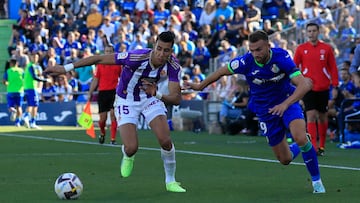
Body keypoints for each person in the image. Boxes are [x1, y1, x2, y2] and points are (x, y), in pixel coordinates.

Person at [184, 30, 325, 194]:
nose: (255, 54)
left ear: (268, 46)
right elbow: (222, 71)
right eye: (252, 50)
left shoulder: (281, 57)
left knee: (299, 135)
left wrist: (286, 104)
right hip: (265, 111)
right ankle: (300, 145)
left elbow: (303, 84)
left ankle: (317, 182)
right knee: (285, 159)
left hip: (287, 102)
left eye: (259, 49)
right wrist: (200, 86)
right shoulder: (246, 61)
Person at [44, 31, 186, 193]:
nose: (161, 54)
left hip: (150, 98)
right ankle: (128, 154)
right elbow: (98, 59)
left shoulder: (173, 66)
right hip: (126, 99)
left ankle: (171, 181)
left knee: (165, 140)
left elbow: (176, 98)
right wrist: (65, 68)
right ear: (154, 45)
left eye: (166, 50)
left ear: (171, 51)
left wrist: (157, 94)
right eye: (159, 48)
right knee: (132, 147)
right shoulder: (135, 57)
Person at [293, 23, 339, 156]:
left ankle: (322, 145)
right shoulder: (301, 49)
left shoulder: (326, 48)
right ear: (306, 33)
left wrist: (335, 85)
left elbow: (333, 68)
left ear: (318, 32)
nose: (311, 33)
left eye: (314, 31)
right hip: (308, 88)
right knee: (311, 115)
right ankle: (313, 146)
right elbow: (294, 68)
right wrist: (297, 83)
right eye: (309, 31)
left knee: (322, 117)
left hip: (323, 87)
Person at [88, 45, 122, 145]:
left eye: (110, 51)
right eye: (106, 51)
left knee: (113, 114)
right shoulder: (100, 65)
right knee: (102, 119)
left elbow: (122, 77)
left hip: (114, 92)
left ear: (113, 52)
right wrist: (90, 91)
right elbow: (96, 79)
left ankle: (113, 139)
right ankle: (102, 133)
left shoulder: (117, 64)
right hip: (103, 92)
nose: (108, 53)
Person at [23, 53, 49, 129]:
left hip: (28, 88)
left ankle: (27, 118)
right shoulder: (32, 66)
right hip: (32, 88)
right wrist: (45, 80)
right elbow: (35, 77)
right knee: (35, 105)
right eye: (33, 57)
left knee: (31, 104)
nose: (35, 58)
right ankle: (31, 121)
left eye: (36, 57)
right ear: (31, 57)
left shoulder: (29, 66)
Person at [2, 57, 24, 127]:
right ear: (17, 63)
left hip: (11, 91)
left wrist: (8, 84)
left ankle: (13, 110)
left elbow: (4, 81)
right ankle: (18, 122)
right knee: (19, 107)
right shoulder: (21, 71)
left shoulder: (8, 71)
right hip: (20, 91)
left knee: (10, 106)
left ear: (11, 64)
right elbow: (25, 79)